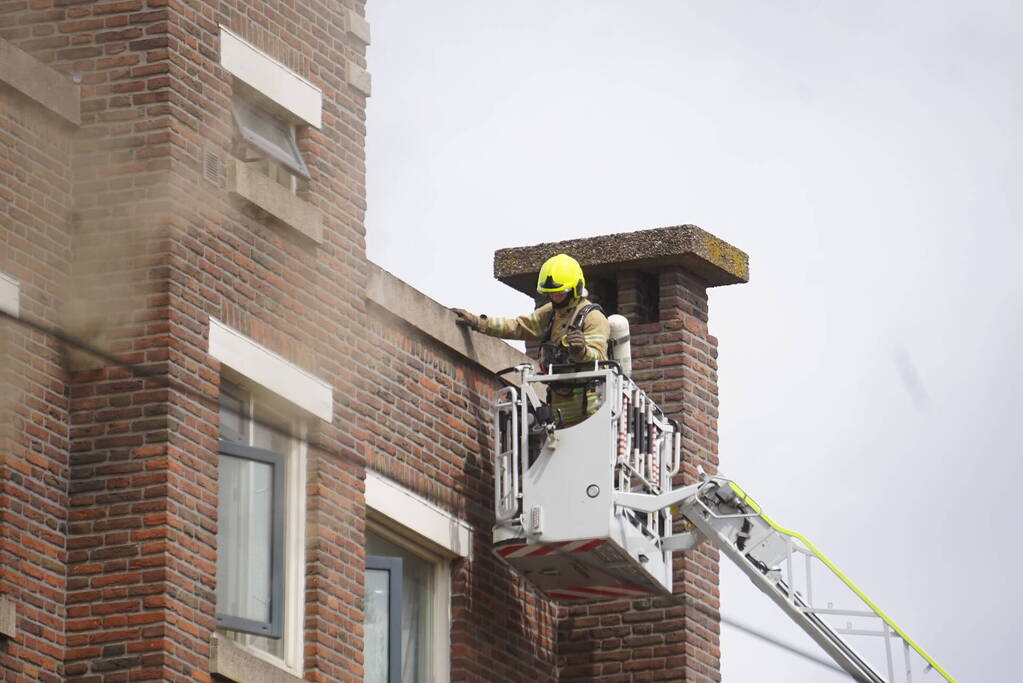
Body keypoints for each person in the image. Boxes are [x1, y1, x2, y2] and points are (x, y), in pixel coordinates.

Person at [452, 253, 610, 426]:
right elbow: (518, 327)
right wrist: (478, 322)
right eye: (551, 293)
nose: (555, 297)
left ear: (575, 288)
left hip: (588, 408)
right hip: (558, 403)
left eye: (560, 292)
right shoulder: (550, 313)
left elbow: (599, 359)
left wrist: (581, 351)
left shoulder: (593, 317)